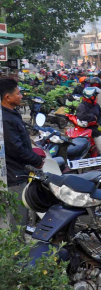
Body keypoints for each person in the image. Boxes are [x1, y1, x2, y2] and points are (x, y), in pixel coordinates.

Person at [1, 78, 42, 229]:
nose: (21, 96)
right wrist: (36, 160)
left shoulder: (11, 114)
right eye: (18, 93)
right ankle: (17, 251)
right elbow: (16, 149)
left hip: (18, 170)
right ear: (7, 97)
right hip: (14, 175)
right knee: (18, 218)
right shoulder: (5, 119)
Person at [75, 87, 101, 157]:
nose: (97, 97)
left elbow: (99, 116)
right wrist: (93, 117)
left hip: (96, 131)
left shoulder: (96, 105)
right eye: (96, 96)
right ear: (90, 97)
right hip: (85, 132)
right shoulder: (82, 106)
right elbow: (81, 116)